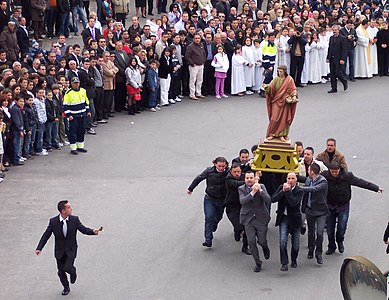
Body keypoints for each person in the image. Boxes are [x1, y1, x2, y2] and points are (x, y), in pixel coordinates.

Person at [35, 200, 100, 296]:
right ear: (63, 211)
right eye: (69, 207)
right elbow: (46, 235)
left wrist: (92, 231)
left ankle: (73, 271)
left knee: (68, 267)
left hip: (71, 250)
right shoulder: (53, 222)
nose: (71, 208)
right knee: (61, 271)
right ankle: (66, 287)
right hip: (59, 251)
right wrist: (39, 248)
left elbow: (83, 229)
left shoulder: (74, 220)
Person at [322, 161, 383, 255]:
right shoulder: (325, 176)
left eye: (336, 171)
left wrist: (375, 188)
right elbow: (312, 180)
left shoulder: (347, 176)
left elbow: (361, 182)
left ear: (339, 169)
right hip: (330, 206)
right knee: (330, 229)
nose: (334, 174)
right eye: (332, 171)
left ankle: (340, 241)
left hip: (343, 206)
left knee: (342, 227)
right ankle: (331, 246)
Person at [187, 156, 229, 248]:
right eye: (219, 166)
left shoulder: (228, 172)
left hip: (222, 199)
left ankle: (214, 224)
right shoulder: (209, 171)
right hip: (210, 198)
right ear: (215, 164)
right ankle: (208, 239)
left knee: (218, 217)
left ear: (226, 165)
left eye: (223, 166)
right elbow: (199, 178)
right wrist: (191, 188)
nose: (221, 168)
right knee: (209, 217)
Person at [239, 170, 271, 272]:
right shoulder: (241, 189)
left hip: (260, 218)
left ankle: (265, 247)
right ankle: (258, 262)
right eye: (247, 178)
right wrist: (252, 193)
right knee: (251, 241)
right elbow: (243, 201)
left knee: (261, 240)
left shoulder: (261, 186)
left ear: (254, 179)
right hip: (248, 219)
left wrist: (260, 191)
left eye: (251, 178)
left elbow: (268, 200)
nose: (249, 180)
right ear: (244, 179)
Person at [272, 172, 304, 271]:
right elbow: (273, 199)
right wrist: (282, 191)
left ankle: (294, 259)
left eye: (292, 178)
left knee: (296, 243)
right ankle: (284, 263)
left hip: (294, 219)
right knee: (282, 241)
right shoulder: (282, 187)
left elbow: (293, 203)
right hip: (284, 218)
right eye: (289, 178)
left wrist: (288, 192)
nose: (290, 180)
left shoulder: (299, 191)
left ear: (296, 180)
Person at [300, 162, 328, 265]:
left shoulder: (323, 181)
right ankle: (311, 249)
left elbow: (314, 189)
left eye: (309, 170)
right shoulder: (309, 180)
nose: (308, 172)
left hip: (321, 211)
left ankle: (319, 253)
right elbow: (300, 178)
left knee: (319, 233)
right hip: (310, 210)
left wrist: (300, 189)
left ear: (312, 171)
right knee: (311, 232)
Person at [263, 64, 298, 142]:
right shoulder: (276, 79)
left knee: (284, 120)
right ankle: (272, 133)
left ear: (284, 71)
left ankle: (282, 134)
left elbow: (293, 89)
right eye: (278, 71)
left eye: (281, 71)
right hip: (276, 101)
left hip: (285, 103)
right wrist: (266, 87)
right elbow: (271, 87)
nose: (279, 73)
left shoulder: (289, 80)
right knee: (274, 119)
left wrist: (294, 96)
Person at [225, 163, 251, 255]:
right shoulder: (229, 178)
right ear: (231, 172)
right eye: (235, 172)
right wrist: (248, 182)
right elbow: (236, 184)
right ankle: (237, 231)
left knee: (247, 228)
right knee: (238, 226)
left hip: (243, 206)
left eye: (239, 172)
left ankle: (245, 247)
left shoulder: (244, 177)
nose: (237, 174)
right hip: (232, 207)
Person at [63, 77, 91, 155]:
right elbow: (65, 105)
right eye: (75, 83)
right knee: (73, 131)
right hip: (74, 116)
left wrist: (88, 111)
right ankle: (73, 148)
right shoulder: (68, 93)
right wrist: (69, 115)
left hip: (82, 114)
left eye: (77, 83)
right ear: (71, 84)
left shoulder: (83, 91)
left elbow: (86, 102)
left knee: (81, 130)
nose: (76, 84)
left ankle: (80, 146)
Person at [326, 25, 348, 93]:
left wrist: (343, 59)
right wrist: (328, 57)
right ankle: (334, 88)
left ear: (338, 30)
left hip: (339, 58)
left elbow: (344, 50)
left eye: (336, 30)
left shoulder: (343, 38)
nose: (334, 31)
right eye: (333, 30)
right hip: (332, 58)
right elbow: (330, 48)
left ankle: (344, 81)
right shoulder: (331, 38)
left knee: (338, 73)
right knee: (332, 73)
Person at [185, 33, 206, 100]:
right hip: (194, 66)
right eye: (196, 38)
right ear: (193, 39)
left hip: (201, 65)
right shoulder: (190, 46)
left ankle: (198, 93)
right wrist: (192, 63)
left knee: (200, 80)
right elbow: (187, 56)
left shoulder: (201, 45)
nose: (197, 40)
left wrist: (203, 61)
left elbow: (204, 54)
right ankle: (192, 94)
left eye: (198, 38)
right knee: (193, 80)